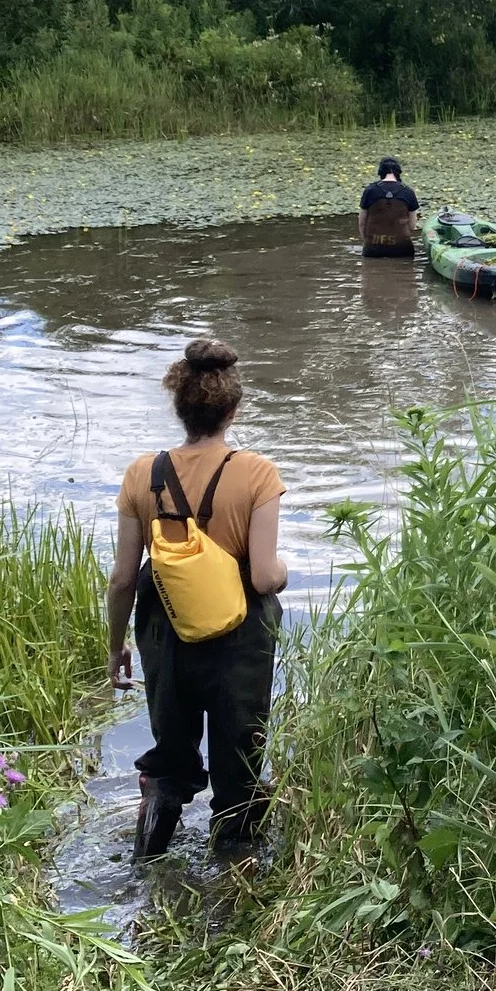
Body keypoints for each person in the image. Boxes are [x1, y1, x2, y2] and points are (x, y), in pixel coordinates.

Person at [106, 338, 289, 862]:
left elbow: (122, 578)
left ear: (180, 408)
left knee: (169, 758)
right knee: (239, 759)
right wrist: (284, 572)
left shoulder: (143, 473)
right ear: (233, 410)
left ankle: (148, 868)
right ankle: (234, 888)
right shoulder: (257, 474)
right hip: (239, 634)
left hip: (164, 629)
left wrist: (117, 646)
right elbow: (261, 577)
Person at [359, 158, 419, 258]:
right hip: (402, 249)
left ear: (380, 172)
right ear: (398, 173)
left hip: (373, 249)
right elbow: (412, 225)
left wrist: (368, 242)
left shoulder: (370, 191)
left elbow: (362, 223)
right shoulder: (408, 192)